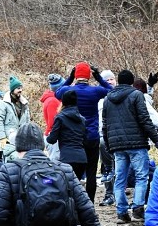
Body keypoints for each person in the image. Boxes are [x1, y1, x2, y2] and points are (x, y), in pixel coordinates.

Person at [101, 69, 158, 224]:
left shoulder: (108, 99)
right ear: (131, 82)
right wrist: (156, 140)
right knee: (141, 176)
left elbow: (105, 125)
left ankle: (122, 212)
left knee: (119, 178)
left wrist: (109, 145)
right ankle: (137, 209)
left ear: (119, 81)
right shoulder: (136, 95)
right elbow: (145, 120)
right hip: (137, 144)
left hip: (117, 145)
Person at [55, 61, 113, 202]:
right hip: (92, 136)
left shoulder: (68, 91)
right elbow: (111, 90)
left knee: (73, 173)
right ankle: (89, 203)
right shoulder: (95, 91)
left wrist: (70, 78)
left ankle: (74, 202)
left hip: (73, 137)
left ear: (76, 75)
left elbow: (57, 93)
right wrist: (98, 77)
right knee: (91, 173)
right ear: (88, 76)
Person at [46, 89, 87, 226]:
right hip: (81, 158)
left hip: (67, 159)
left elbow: (52, 139)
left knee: (66, 193)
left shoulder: (61, 117)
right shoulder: (82, 119)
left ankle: (73, 225)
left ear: (63, 102)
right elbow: (85, 137)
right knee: (77, 193)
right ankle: (81, 223)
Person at [0, 75, 30, 162]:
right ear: (12, 90)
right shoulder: (3, 103)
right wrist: (2, 137)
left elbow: (28, 120)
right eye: (18, 88)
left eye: (21, 88)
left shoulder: (24, 103)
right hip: (8, 140)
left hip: (22, 139)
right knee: (7, 162)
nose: (20, 90)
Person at [97, 69, 116, 206]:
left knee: (118, 167)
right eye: (107, 80)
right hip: (102, 136)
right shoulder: (98, 98)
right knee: (107, 167)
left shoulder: (120, 95)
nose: (110, 82)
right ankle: (109, 194)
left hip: (119, 136)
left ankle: (117, 193)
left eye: (112, 79)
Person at [41, 73, 66, 161]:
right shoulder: (52, 101)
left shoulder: (54, 99)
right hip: (54, 137)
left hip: (53, 136)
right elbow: (53, 123)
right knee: (55, 161)